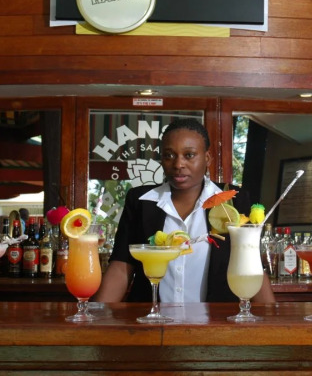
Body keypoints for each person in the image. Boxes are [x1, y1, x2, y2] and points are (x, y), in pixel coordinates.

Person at [95, 118, 275, 304]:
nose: (178, 164)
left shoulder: (232, 201)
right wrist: (95, 315)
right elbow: (121, 266)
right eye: (169, 155)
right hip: (151, 317)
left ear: (207, 158)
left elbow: (251, 263)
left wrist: (272, 317)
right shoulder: (140, 201)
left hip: (217, 318)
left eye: (189, 155)